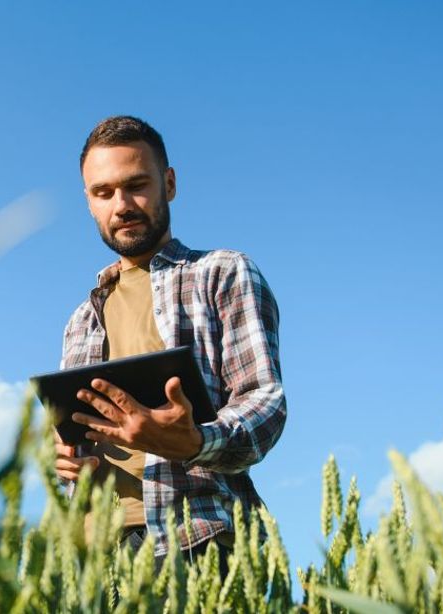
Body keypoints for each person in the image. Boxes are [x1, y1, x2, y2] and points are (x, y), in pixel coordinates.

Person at [54, 115, 286, 564]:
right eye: (103, 192)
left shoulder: (222, 273)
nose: (121, 204)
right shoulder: (80, 319)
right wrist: (66, 463)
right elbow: (73, 439)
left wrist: (197, 442)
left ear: (170, 184)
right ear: (89, 202)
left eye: (136, 185)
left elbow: (266, 403)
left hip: (195, 539)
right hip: (93, 558)